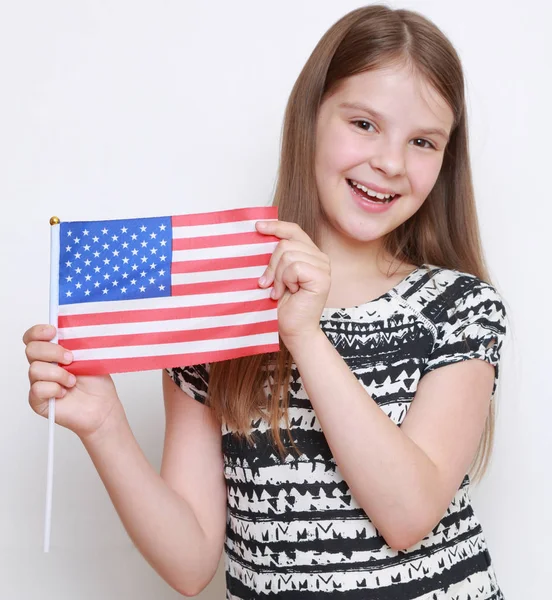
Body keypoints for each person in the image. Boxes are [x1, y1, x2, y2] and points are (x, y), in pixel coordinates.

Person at [23, 5, 508, 599]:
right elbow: (190, 561)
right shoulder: (218, 300)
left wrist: (306, 334)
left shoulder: (459, 306)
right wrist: (105, 427)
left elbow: (407, 515)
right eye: (363, 124)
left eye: (423, 141)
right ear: (309, 118)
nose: (389, 162)